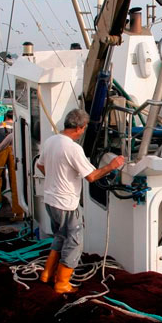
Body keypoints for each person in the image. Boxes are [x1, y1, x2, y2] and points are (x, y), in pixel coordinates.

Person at [37, 109, 125, 293]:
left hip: (50, 200)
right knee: (74, 242)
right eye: (84, 128)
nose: (83, 131)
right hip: (66, 204)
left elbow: (40, 165)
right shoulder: (73, 148)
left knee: (60, 236)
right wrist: (111, 165)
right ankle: (62, 283)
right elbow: (91, 176)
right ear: (79, 128)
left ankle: (47, 274)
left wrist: (56, 178)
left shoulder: (51, 141)